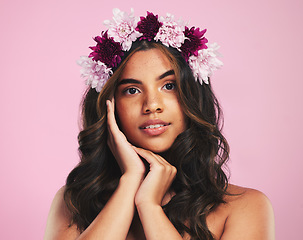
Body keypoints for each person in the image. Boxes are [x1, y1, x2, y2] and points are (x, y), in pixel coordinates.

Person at [44, 9, 275, 240]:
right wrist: (131, 179)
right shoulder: (74, 203)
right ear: (109, 104)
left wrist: (150, 207)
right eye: (132, 90)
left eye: (169, 85)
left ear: (193, 96)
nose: (152, 105)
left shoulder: (245, 207)